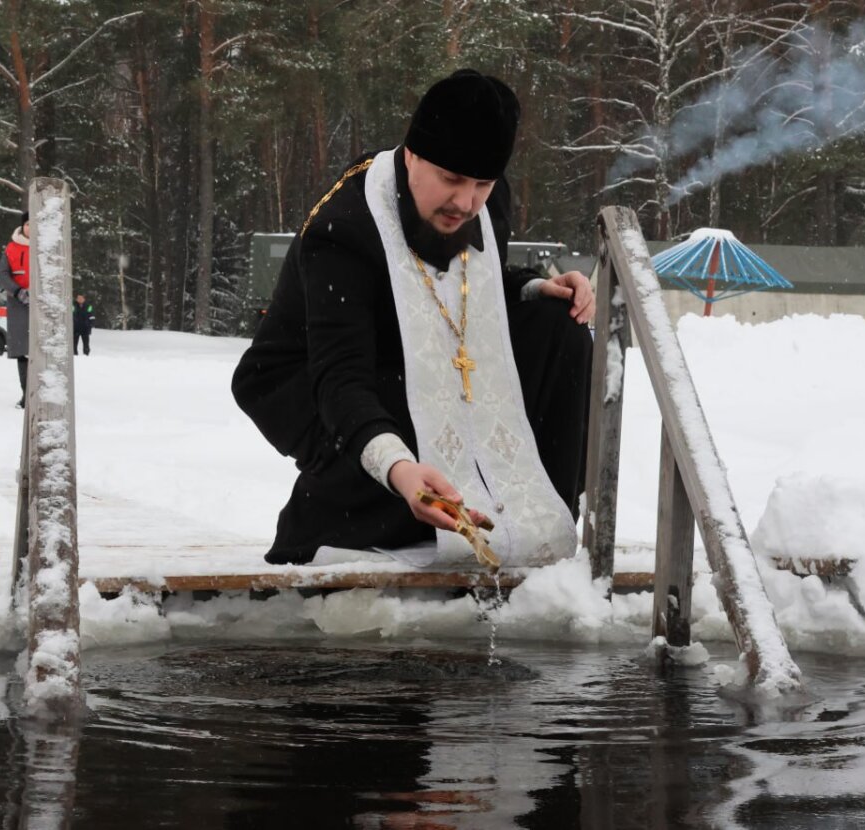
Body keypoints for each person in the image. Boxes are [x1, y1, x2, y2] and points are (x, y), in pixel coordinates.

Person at [232, 69, 595, 567]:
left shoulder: (486, 204)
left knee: (559, 327)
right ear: (412, 156)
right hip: (319, 391)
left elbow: (455, 288)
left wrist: (532, 288)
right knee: (406, 408)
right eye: (451, 180)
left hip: (412, 365)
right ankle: (373, 507)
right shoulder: (344, 229)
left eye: (482, 184)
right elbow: (341, 374)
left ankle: (539, 527)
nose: (465, 202)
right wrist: (400, 469)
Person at [0, 211, 30, 408]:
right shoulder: (11, 248)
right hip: (18, 304)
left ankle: (39, 393)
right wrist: (17, 291)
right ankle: (26, 395)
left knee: (39, 350)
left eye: (34, 224)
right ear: (22, 226)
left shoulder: (45, 247)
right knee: (22, 351)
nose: (30, 228)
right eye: (27, 224)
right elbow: (2, 274)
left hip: (40, 304)